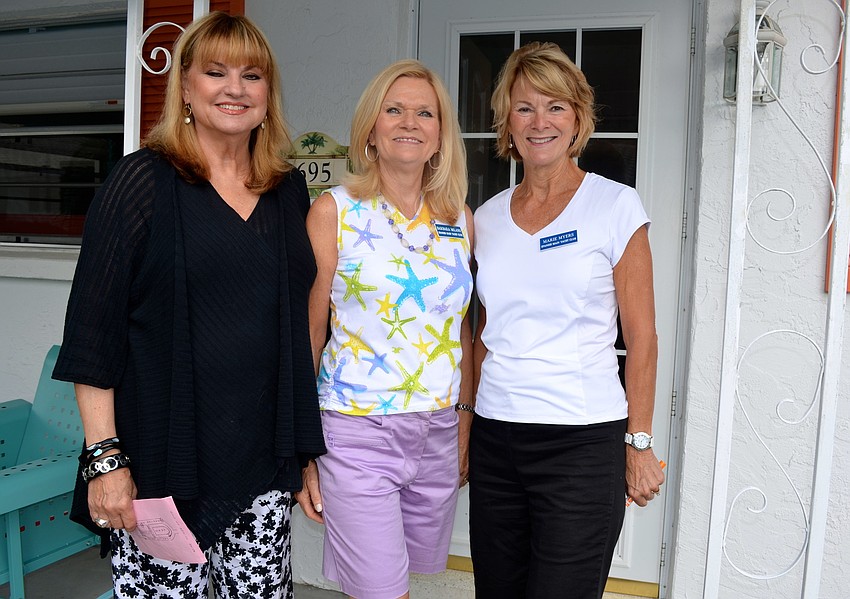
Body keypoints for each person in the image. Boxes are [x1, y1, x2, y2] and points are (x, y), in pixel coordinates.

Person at [52, 12, 325, 599]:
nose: (235, 88)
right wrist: (105, 461)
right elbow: (92, 336)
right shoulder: (141, 182)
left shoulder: (287, 190)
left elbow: (295, 328)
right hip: (161, 460)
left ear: (268, 93)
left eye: (252, 75)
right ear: (186, 87)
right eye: (216, 71)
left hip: (261, 464)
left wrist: (303, 452)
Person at [469, 42, 665, 599]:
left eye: (556, 106)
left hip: (581, 445)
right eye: (525, 107)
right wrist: (466, 421)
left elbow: (643, 338)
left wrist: (640, 442)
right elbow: (484, 333)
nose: (540, 122)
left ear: (578, 117)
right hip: (497, 439)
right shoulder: (487, 218)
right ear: (506, 119)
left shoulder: (615, 206)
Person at [295, 59, 474, 599]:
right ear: (370, 128)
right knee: (381, 591)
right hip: (356, 429)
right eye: (393, 110)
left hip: (437, 431)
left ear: (441, 133)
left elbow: (461, 329)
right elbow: (308, 333)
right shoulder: (334, 211)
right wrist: (303, 449)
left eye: (425, 112)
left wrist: (462, 426)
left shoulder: (459, 218)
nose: (409, 122)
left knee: (402, 580)